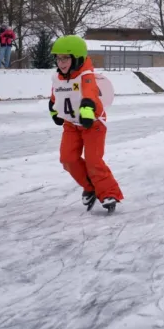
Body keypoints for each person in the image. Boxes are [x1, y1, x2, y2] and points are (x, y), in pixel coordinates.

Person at [49, 35, 123, 212]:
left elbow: (89, 95)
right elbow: (55, 98)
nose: (61, 62)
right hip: (71, 125)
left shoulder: (86, 76)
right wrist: (54, 111)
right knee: (67, 159)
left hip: (93, 124)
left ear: (77, 58)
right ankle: (90, 186)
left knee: (93, 160)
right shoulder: (57, 78)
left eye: (66, 58)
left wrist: (87, 111)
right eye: (58, 58)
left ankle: (108, 193)